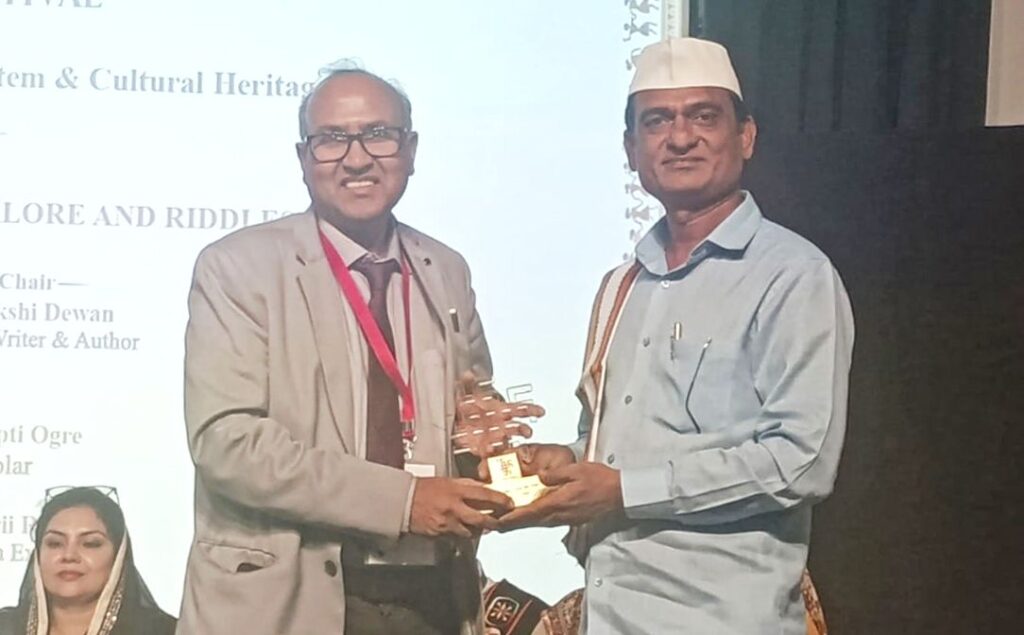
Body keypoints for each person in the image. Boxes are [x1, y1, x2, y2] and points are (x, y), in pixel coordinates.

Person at [497, 37, 855, 634]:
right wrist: (569, 464)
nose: (680, 137)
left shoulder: (793, 275)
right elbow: (614, 447)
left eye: (703, 116)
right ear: (631, 149)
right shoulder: (621, 285)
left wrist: (624, 491)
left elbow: (801, 462)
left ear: (746, 136)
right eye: (657, 121)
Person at [176, 61, 537, 635]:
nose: (357, 157)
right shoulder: (238, 268)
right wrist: (402, 502)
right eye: (332, 139)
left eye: (378, 134)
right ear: (303, 159)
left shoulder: (445, 269)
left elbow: (469, 411)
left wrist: (493, 453)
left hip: (431, 592)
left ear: (410, 150)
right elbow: (228, 444)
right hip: (291, 599)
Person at [0, 487, 176, 635]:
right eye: (55, 543)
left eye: (90, 544)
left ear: (118, 557)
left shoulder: (166, 631)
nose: (69, 555)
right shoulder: (6, 627)